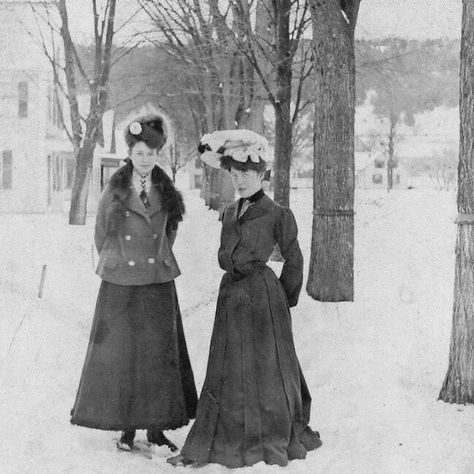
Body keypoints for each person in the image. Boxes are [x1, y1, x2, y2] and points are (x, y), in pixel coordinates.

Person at [169, 129, 322, 468]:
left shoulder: (277, 213)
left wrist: (282, 301)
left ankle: (261, 436)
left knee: (264, 370)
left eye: (246, 173)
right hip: (231, 297)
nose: (239, 180)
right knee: (226, 368)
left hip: (263, 299)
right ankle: (219, 437)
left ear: (261, 174)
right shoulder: (228, 212)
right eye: (234, 174)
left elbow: (294, 259)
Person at [70, 114, 197, 452]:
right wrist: (118, 260)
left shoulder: (166, 188)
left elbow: (170, 231)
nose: (146, 159)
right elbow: (101, 232)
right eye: (140, 152)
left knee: (158, 356)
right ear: (131, 153)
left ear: (159, 155)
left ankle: (156, 429)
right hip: (121, 281)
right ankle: (125, 427)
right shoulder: (116, 186)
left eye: (152, 153)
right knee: (124, 355)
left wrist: (157, 254)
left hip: (157, 280)